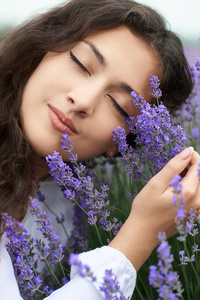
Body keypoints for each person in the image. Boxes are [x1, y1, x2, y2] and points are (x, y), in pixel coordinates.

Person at [0, 0, 200, 299]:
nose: (82, 101)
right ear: (41, 49)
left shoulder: (65, 206)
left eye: (118, 105)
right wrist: (138, 238)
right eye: (82, 65)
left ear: (119, 145)